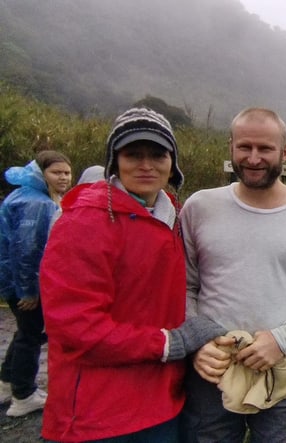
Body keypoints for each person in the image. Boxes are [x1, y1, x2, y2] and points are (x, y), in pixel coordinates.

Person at [38, 108, 225, 442]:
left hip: (164, 404)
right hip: (97, 418)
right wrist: (171, 342)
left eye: (157, 154)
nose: (146, 164)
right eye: (132, 154)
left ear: (173, 163)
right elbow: (75, 326)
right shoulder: (83, 222)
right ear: (114, 161)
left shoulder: (172, 216)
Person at [180, 107, 286, 443]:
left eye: (265, 149)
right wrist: (198, 342)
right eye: (245, 147)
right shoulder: (198, 207)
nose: (253, 158)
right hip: (212, 371)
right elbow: (184, 286)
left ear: (285, 152)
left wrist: (280, 340)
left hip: (285, 373)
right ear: (231, 147)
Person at [0, 150, 71, 417]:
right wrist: (29, 290)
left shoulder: (24, 195)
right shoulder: (39, 204)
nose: (63, 178)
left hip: (11, 279)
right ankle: (24, 395)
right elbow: (28, 250)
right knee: (31, 336)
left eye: (66, 172)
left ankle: (7, 383)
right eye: (56, 172)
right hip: (25, 283)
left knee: (22, 332)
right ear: (41, 174)